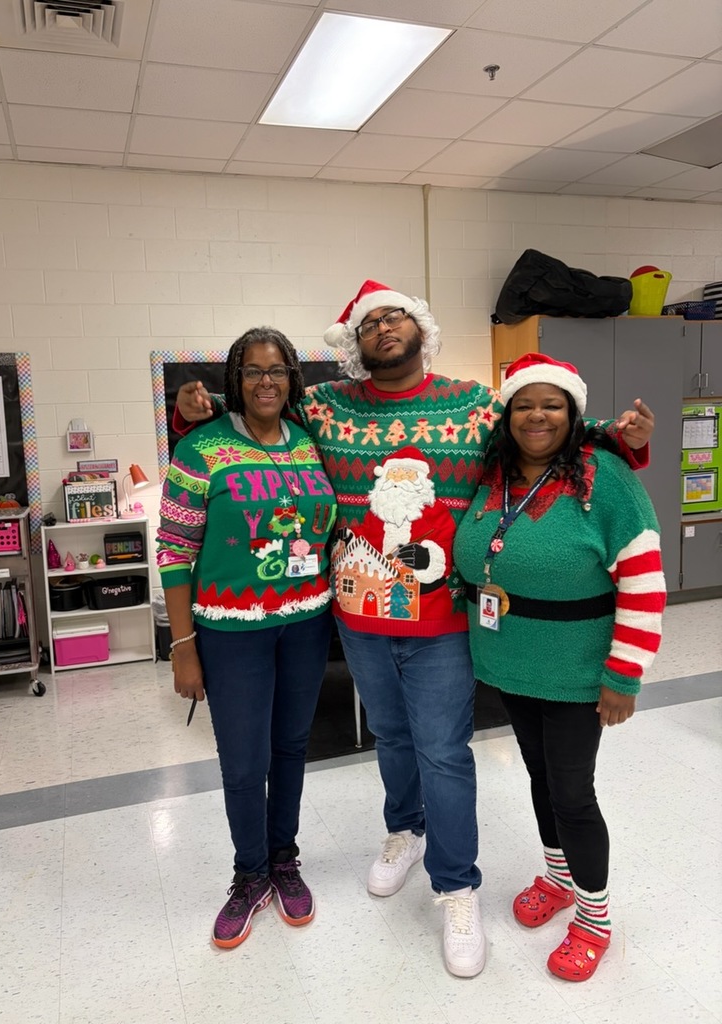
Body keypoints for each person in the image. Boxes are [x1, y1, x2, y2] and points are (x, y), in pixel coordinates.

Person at [174, 280, 654, 977]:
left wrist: (621, 437)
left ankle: (457, 888)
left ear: (420, 329)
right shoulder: (326, 407)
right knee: (393, 737)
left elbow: (544, 421)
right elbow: (260, 411)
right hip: (360, 617)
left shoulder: (472, 404)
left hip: (444, 620)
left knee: (445, 752)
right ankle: (405, 829)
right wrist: (200, 409)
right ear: (354, 343)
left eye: (396, 316)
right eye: (370, 323)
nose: (384, 328)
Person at [452, 352, 666, 981]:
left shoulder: (606, 477)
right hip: (511, 663)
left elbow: (644, 581)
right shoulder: (494, 472)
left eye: (553, 405)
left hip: (577, 671)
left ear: (574, 414)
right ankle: (558, 876)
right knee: (541, 777)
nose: (537, 416)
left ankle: (594, 919)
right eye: (523, 404)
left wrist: (623, 676)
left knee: (573, 793)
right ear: (506, 414)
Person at [156, 326, 337, 950]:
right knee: (243, 760)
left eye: (277, 369)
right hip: (231, 631)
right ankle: (250, 874)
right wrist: (183, 647)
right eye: (253, 370)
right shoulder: (201, 449)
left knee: (290, 748)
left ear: (292, 379)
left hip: (306, 623)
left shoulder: (310, 442)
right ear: (236, 379)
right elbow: (173, 552)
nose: (266, 380)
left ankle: (283, 860)